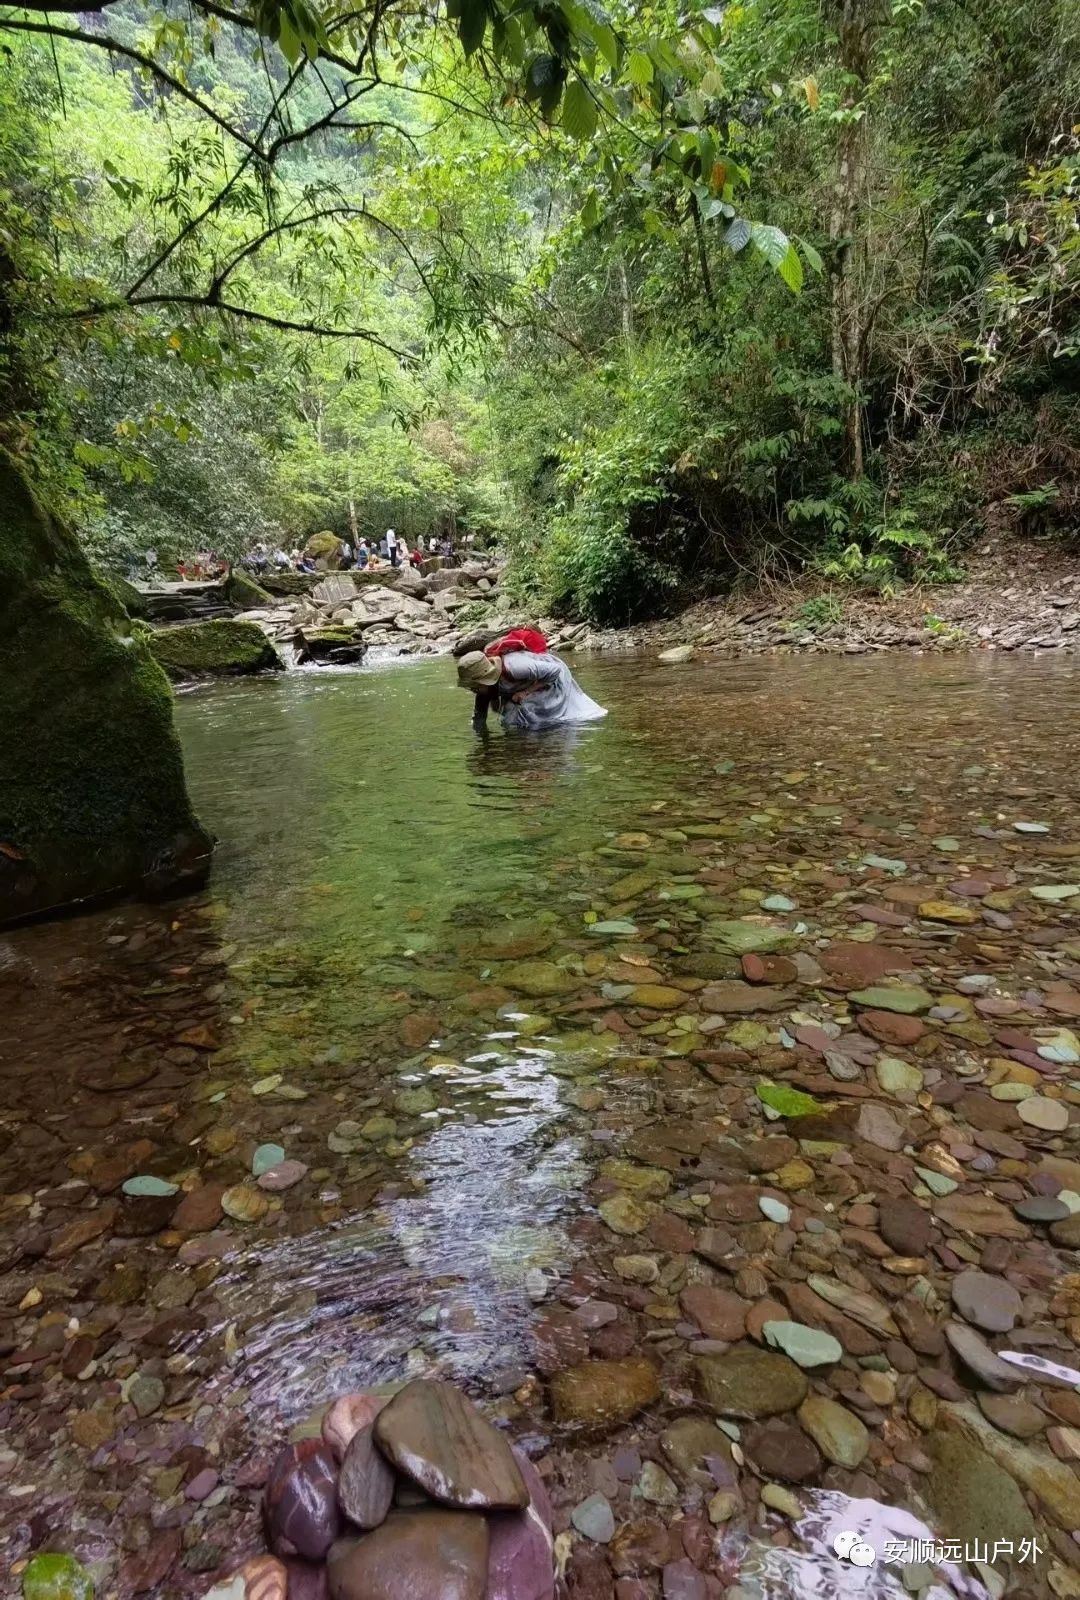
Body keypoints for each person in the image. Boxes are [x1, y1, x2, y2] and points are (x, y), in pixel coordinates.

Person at [457, 648, 607, 734]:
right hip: (522, 685)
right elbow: (479, 720)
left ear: (487, 677)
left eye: (474, 686)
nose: (473, 690)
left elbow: (555, 671)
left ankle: (551, 735)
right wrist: (483, 741)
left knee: (531, 713)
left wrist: (525, 693)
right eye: (471, 687)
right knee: (509, 721)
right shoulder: (482, 691)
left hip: (551, 676)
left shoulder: (515, 667)